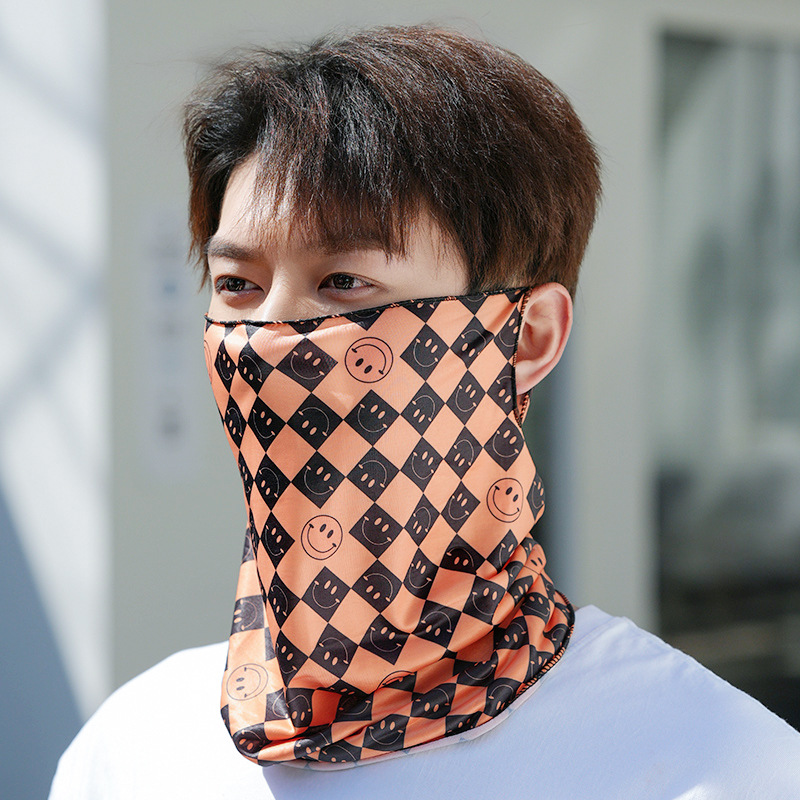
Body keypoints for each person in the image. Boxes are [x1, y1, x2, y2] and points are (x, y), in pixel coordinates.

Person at [50, 24, 800, 798]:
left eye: (343, 282)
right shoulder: (134, 749)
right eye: (238, 286)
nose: (268, 338)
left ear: (525, 337)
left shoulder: (708, 765)